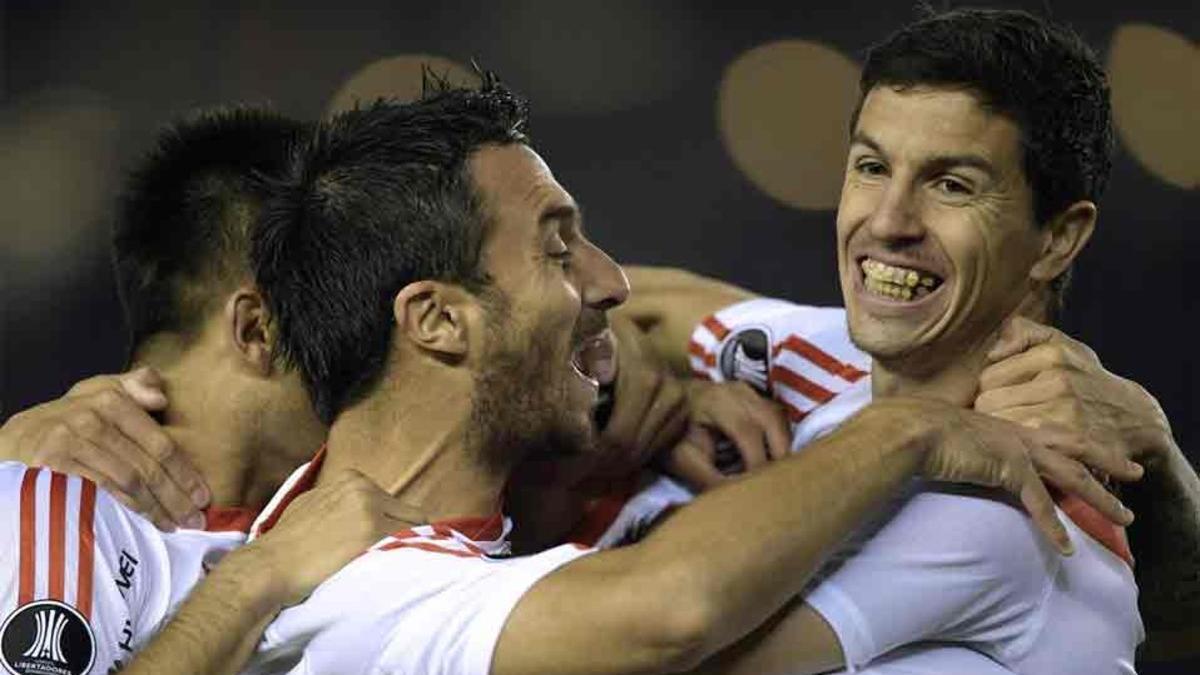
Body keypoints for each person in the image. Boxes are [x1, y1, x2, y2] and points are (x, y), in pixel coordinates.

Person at [135, 76, 1122, 675]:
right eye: (560, 249)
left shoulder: (544, 506)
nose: (610, 282)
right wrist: (907, 434)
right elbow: (670, 614)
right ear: (436, 320)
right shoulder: (349, 588)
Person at [618, 7, 1199, 672]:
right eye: (871, 166)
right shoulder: (820, 353)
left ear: (1058, 238)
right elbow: (618, 304)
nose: (889, 221)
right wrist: (667, 395)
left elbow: (642, 651)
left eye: (952, 185)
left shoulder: (1009, 503)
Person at [0, 108, 426, 675]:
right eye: (345, 310)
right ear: (258, 331)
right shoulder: (52, 503)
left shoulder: (354, 528)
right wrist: (257, 576)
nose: (378, 348)